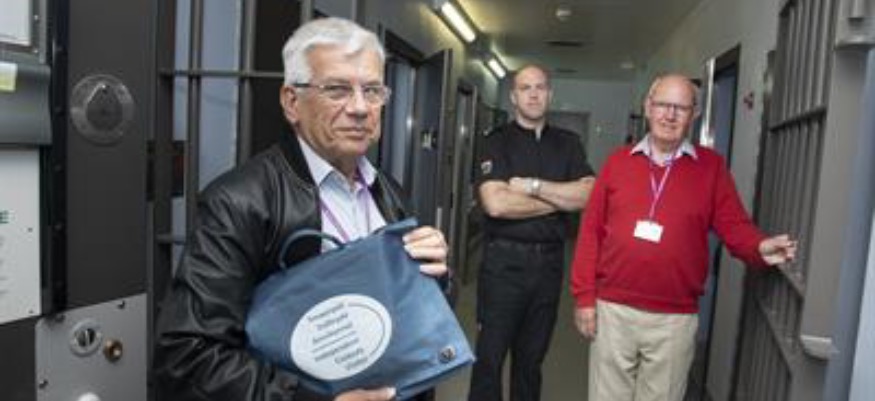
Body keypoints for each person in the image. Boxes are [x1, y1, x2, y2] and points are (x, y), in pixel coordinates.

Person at [153, 17, 448, 401]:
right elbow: (187, 358)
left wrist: (436, 276)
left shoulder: (389, 192)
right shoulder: (239, 201)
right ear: (292, 102)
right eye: (337, 89)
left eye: (373, 90)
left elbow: (408, 309)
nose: (361, 108)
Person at [570, 73, 798, 401]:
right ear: (648, 107)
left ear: (694, 115)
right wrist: (584, 298)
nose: (670, 114)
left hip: (673, 319)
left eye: (681, 107)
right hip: (613, 309)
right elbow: (590, 232)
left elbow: (734, 225)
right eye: (663, 104)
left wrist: (760, 246)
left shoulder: (711, 168)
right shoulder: (617, 162)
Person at [468, 64, 596, 401]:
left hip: (548, 267)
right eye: (525, 88)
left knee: (530, 362)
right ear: (513, 97)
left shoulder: (569, 144)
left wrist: (533, 187)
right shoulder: (495, 142)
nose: (534, 94)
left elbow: (589, 195)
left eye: (540, 87)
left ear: (550, 94)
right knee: (489, 360)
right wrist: (560, 200)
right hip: (503, 266)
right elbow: (496, 204)